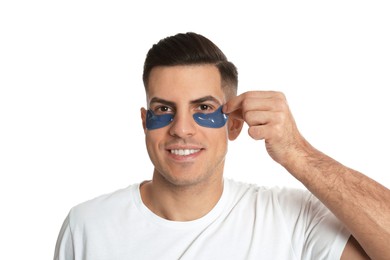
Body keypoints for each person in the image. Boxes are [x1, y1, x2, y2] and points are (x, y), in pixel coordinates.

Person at [54, 32, 390, 260]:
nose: (181, 129)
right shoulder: (88, 225)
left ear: (233, 124)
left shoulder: (290, 220)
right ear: (145, 122)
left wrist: (297, 152)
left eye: (202, 108)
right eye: (163, 110)